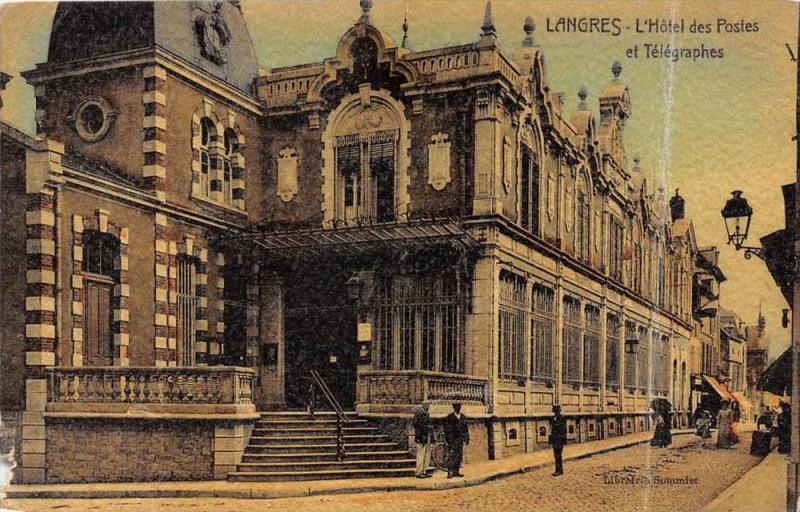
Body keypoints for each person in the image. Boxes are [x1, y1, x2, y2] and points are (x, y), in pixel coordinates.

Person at [443, 402, 469, 478]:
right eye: (457, 407)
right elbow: (447, 430)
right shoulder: (449, 417)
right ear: (454, 408)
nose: (458, 408)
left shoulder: (463, 417)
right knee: (452, 456)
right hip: (452, 440)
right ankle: (450, 472)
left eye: (459, 407)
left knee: (459, 456)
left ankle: (456, 471)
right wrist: (448, 440)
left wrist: (467, 438)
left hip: (460, 440)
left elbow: (465, 429)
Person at [412, 401, 434, 478]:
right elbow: (415, 424)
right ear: (423, 405)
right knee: (421, 454)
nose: (428, 407)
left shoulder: (427, 413)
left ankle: (424, 471)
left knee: (426, 455)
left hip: (427, 436)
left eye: (429, 405)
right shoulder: (419, 413)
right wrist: (424, 429)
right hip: (421, 436)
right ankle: (418, 472)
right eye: (427, 405)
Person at [548, 405, 567, 476]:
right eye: (554, 412)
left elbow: (563, 429)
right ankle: (558, 470)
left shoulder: (562, 418)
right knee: (556, 456)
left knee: (558, 455)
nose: (555, 413)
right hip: (555, 440)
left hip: (559, 440)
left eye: (556, 411)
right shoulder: (554, 418)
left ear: (559, 411)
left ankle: (559, 471)